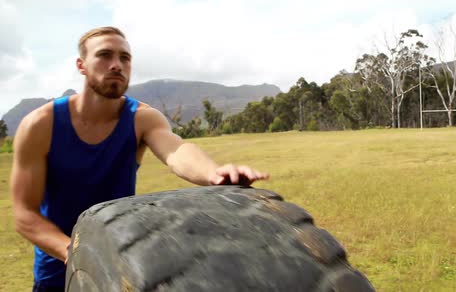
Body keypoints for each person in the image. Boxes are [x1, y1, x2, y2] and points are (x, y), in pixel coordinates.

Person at [10, 26, 270, 291]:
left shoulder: (142, 118)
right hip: (58, 269)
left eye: (125, 58)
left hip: (121, 261)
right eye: (104, 55)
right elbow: (24, 214)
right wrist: (75, 252)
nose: (116, 65)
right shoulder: (41, 125)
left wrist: (213, 173)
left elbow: (175, 150)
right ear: (82, 65)